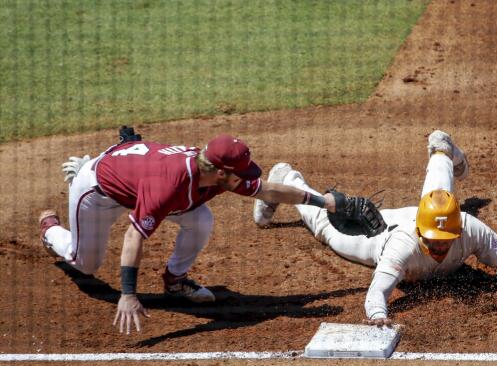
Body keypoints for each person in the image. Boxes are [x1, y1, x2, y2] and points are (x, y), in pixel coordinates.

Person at [39, 132, 337, 335]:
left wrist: (323, 202)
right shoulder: (169, 185)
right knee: (84, 262)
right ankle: (51, 229)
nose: (246, 178)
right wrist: (128, 294)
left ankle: (175, 281)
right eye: (240, 173)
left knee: (201, 219)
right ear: (221, 172)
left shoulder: (217, 174)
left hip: (135, 177)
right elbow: (133, 237)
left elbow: (269, 189)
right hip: (99, 194)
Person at [253, 130, 497, 326]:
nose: (440, 244)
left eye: (446, 239)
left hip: (430, 215)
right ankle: (287, 178)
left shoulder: (465, 225)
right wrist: (379, 317)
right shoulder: (401, 247)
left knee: (439, 196)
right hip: (382, 234)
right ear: (420, 231)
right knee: (328, 230)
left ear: (457, 230)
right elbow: (377, 294)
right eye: (432, 239)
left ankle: (442, 148)